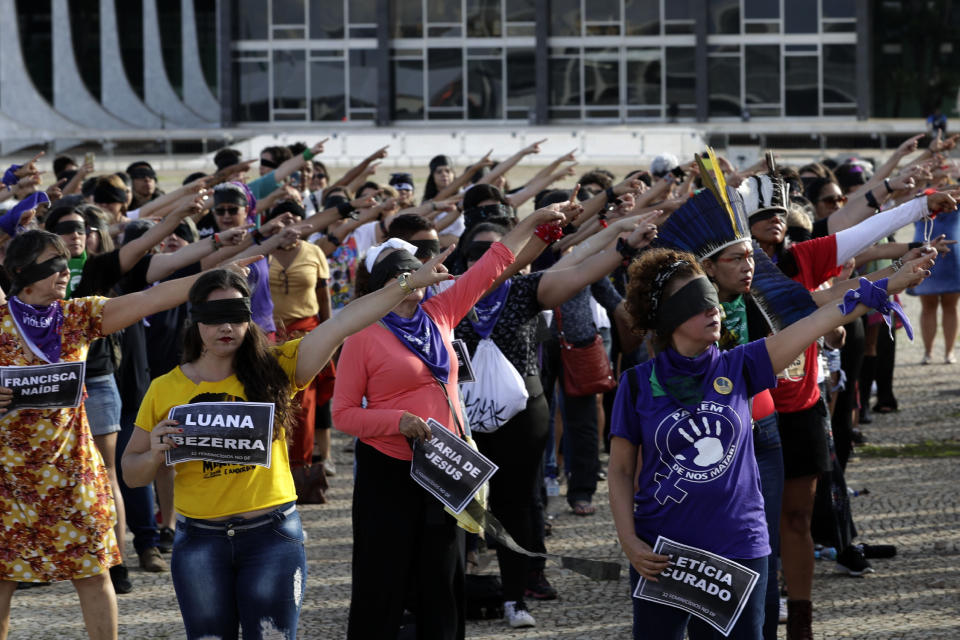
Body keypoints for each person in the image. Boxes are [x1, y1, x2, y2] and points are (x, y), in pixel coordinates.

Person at [122, 253, 455, 640]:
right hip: (199, 543)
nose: (225, 327)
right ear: (194, 322)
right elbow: (132, 473)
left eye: (235, 315)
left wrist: (407, 285)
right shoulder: (166, 388)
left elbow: (343, 323)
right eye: (213, 317)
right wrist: (156, 453)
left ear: (250, 318)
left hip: (271, 538)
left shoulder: (279, 368)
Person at [608, 245, 934, 640]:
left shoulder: (740, 364)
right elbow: (622, 470)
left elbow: (816, 322)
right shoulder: (637, 383)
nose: (715, 310)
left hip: (739, 544)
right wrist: (628, 540)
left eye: (711, 299)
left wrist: (887, 283)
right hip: (660, 551)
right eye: (698, 303)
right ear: (668, 316)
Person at [0, 230, 251, 640]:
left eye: (65, 261)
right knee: (1, 580)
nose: (64, 271)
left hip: (72, 474)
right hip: (8, 480)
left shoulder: (77, 316)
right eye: (52, 262)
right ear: (21, 271)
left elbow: (150, 298)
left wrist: (212, 277)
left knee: (94, 573)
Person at [332, 205, 565, 640]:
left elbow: (491, 265)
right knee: (384, 581)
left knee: (444, 576)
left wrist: (530, 225)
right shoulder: (362, 334)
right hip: (389, 470)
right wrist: (396, 420)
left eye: (416, 275)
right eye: (401, 279)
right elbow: (343, 414)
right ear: (380, 286)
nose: (413, 286)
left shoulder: (439, 313)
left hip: (445, 462)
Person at [453, 211, 657, 628]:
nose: (493, 260)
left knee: (515, 504)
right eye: (481, 253)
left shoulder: (526, 290)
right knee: (456, 507)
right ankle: (452, 596)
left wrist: (620, 244)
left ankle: (515, 598)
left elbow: (578, 270)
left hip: (522, 416)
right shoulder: (449, 297)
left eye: (499, 251)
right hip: (461, 417)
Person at [909, 207, 960, 364]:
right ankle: (928, 352)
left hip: (953, 250)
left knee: (951, 305)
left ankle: (949, 352)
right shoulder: (921, 191)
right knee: (928, 306)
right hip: (925, 249)